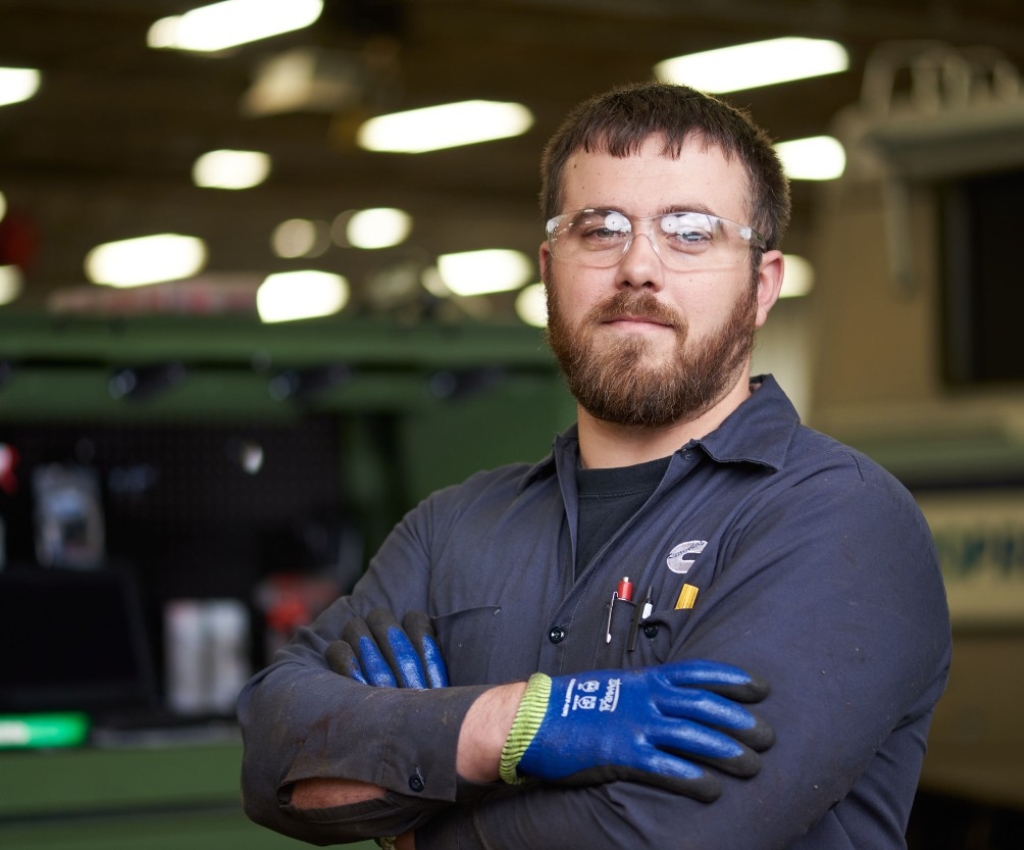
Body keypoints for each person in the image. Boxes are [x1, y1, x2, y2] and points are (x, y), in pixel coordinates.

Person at [238, 82, 951, 849]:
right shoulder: (451, 529)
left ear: (762, 285)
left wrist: (417, 813)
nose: (639, 266)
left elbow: (669, 836)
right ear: (550, 269)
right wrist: (514, 725)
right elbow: (276, 752)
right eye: (601, 229)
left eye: (690, 232)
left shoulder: (839, 520)